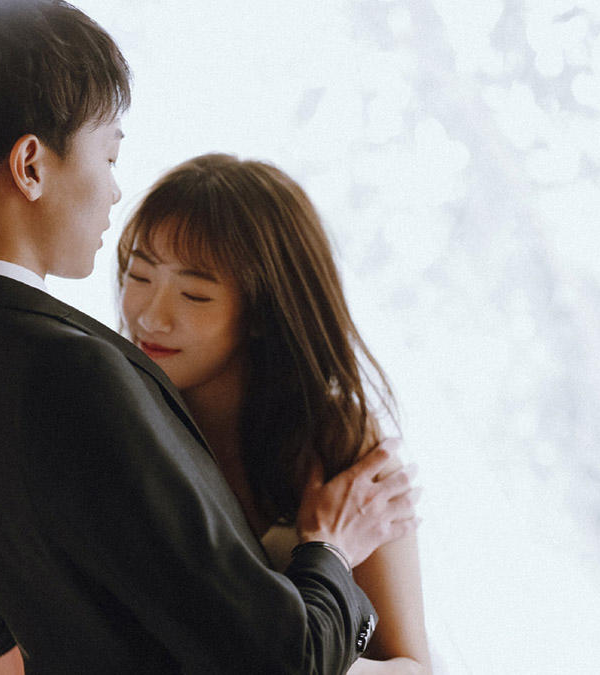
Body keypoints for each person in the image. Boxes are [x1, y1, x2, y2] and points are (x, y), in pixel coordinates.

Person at [0, 1, 418, 673]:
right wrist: (329, 549)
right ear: (31, 166)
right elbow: (284, 661)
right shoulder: (76, 371)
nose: (113, 190)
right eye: (108, 154)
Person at [116, 154, 431, 674]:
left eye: (194, 294)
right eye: (139, 274)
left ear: (264, 311)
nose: (150, 316)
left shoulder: (337, 441)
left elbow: (411, 667)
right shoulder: (119, 416)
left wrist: (323, 559)